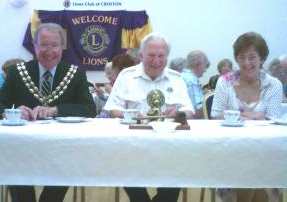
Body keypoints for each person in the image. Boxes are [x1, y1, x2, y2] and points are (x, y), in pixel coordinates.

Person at [0, 23, 96, 202]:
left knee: (62, 173)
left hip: (61, 149)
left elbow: (89, 109)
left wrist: (55, 110)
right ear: (35, 46)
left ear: (62, 48)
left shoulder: (75, 74)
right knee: (18, 179)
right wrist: (11, 112)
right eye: (44, 45)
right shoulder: (17, 73)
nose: (49, 51)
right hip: (21, 149)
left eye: (55, 45)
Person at [104, 32, 194, 202]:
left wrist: (178, 115)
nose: (156, 61)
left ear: (167, 57)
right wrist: (129, 115)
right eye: (151, 55)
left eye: (161, 56)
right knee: (125, 169)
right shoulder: (126, 76)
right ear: (141, 55)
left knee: (179, 170)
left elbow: (188, 110)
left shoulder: (177, 78)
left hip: (170, 148)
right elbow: (112, 109)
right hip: (132, 148)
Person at [211, 32, 282, 202]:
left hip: (265, 149)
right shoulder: (224, 81)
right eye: (241, 57)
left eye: (252, 57)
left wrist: (238, 117)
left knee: (262, 170)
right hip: (230, 149)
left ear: (262, 58)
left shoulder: (273, 84)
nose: (246, 63)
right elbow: (215, 116)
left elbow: (273, 121)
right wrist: (256, 116)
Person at [181, 50, 210, 119]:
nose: (205, 70)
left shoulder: (182, 76)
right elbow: (197, 112)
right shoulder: (191, 81)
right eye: (205, 65)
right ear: (198, 64)